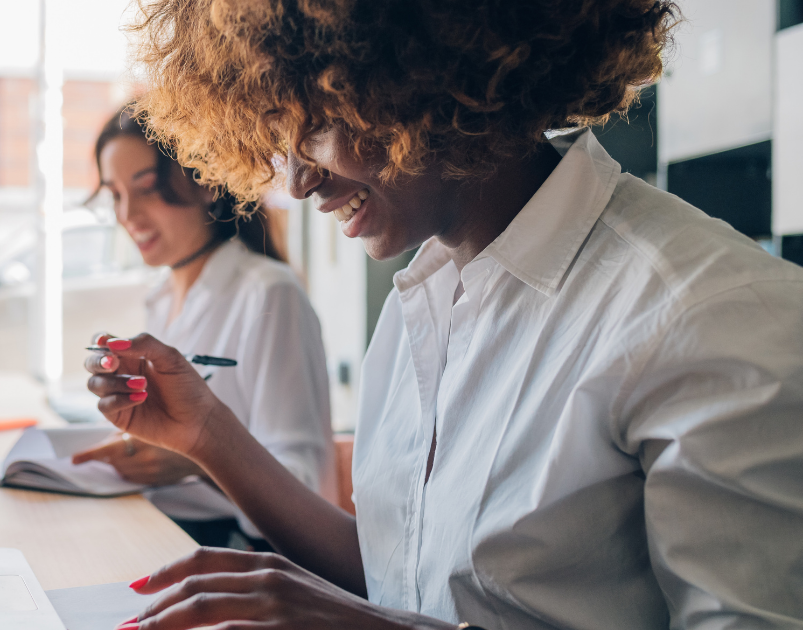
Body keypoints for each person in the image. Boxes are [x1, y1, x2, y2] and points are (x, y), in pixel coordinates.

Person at [85, 1, 803, 629]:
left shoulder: (713, 317)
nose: (300, 181)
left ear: (438, 83)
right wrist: (206, 434)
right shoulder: (422, 300)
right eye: (282, 135)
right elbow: (402, 582)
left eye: (324, 124)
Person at [71, 106, 335, 551]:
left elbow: (308, 487)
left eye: (147, 189)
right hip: (163, 534)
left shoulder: (269, 294)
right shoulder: (160, 298)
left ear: (206, 182)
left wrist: (192, 461)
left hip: (239, 555)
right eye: (115, 194)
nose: (127, 214)